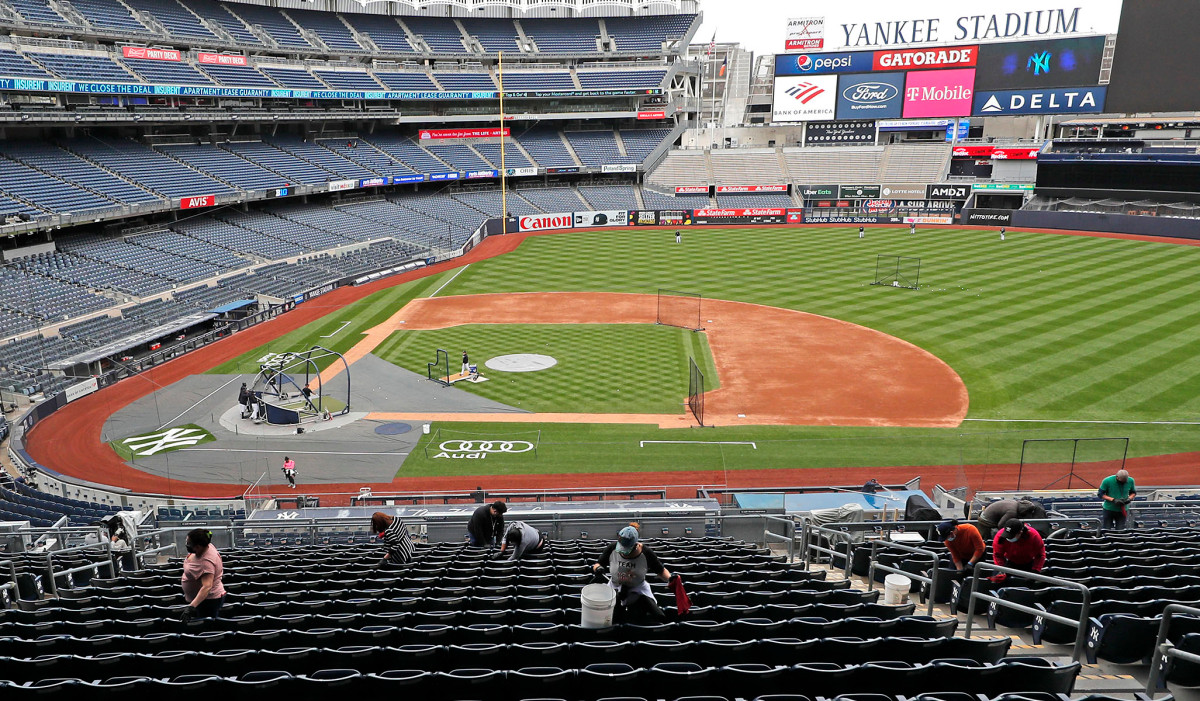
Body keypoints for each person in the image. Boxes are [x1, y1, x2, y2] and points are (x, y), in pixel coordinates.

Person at [591, 523, 674, 622]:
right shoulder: (612, 548)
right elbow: (597, 564)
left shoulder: (646, 553)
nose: (622, 553)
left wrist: (670, 579)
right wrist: (598, 569)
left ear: (635, 545)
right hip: (615, 586)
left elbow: (661, 571)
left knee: (650, 615)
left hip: (638, 589)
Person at [180, 528, 226, 622]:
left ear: (198, 546)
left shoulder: (206, 563)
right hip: (202, 601)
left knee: (205, 628)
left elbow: (207, 587)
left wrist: (191, 607)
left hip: (207, 602)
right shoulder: (206, 545)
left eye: (189, 543)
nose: (187, 545)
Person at [976, 497, 1046, 540]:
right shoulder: (1012, 512)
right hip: (986, 521)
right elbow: (1001, 525)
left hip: (986, 516)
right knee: (989, 539)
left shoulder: (1015, 503)